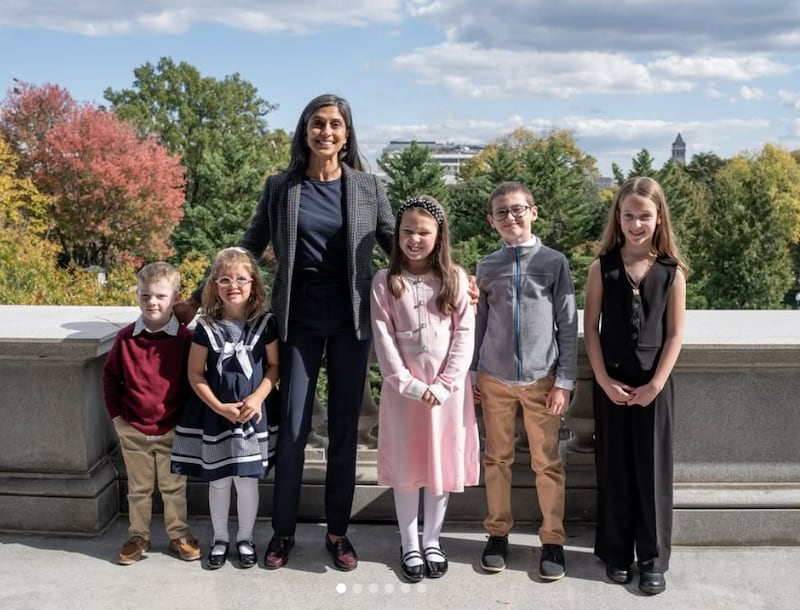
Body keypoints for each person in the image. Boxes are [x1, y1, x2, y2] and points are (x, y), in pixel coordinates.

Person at [174, 93, 395, 571]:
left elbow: (399, 245)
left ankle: (338, 532)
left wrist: (451, 277)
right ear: (305, 131)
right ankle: (283, 532)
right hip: (296, 322)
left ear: (347, 134)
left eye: (335, 124)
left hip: (351, 323)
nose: (326, 132)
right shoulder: (282, 187)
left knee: (344, 431)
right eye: (318, 123)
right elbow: (249, 246)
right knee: (293, 429)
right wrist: (196, 295)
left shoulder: (367, 187)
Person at [583, 176, 686, 595]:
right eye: (629, 216)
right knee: (615, 469)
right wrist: (603, 380)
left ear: (659, 217)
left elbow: (675, 334)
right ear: (618, 218)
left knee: (653, 472)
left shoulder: (671, 271)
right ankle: (616, 552)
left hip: (654, 387)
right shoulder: (602, 268)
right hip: (611, 385)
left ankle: (653, 559)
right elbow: (590, 329)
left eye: (645, 215)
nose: (636, 224)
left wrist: (656, 384)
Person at [370, 196, 480, 583]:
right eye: (407, 232)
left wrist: (446, 385)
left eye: (423, 232)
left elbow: (464, 335)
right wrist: (410, 385)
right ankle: (409, 541)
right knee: (407, 466)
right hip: (405, 393)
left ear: (439, 236)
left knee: (439, 464)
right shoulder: (385, 281)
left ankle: (432, 539)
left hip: (447, 394)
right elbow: (384, 339)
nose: (414, 239)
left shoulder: (455, 279)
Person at [472, 181, 577, 581]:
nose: (510, 217)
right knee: (496, 458)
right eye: (501, 212)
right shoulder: (487, 266)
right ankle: (498, 534)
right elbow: (478, 323)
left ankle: (552, 539)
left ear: (533, 212)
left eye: (518, 209)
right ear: (491, 221)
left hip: (541, 380)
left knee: (547, 462)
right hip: (494, 378)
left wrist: (564, 380)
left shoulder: (554, 262)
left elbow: (568, 324)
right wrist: (472, 372)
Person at [170, 247, 280, 570]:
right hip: (216, 416)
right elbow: (195, 374)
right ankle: (220, 538)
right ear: (214, 285)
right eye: (225, 280)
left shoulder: (265, 324)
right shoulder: (206, 327)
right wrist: (219, 407)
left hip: (252, 416)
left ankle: (245, 538)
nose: (234, 286)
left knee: (247, 481)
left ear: (253, 284)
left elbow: (275, 366)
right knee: (218, 480)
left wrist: (257, 398)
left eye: (241, 279)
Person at [102, 262, 200, 565]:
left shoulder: (185, 340)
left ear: (176, 298)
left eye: (160, 296)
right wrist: (117, 418)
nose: (152, 302)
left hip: (172, 428)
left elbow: (194, 382)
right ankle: (138, 536)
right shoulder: (125, 338)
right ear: (137, 296)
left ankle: (178, 534)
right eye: (145, 296)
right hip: (133, 427)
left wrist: (185, 423)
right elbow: (110, 378)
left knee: (174, 487)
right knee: (139, 488)